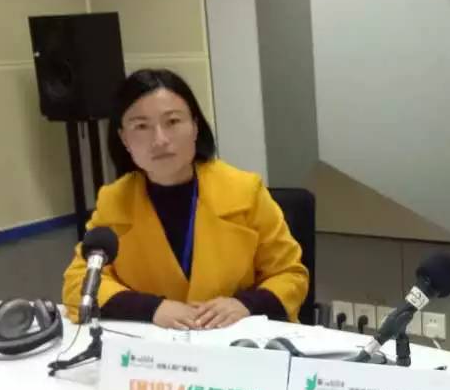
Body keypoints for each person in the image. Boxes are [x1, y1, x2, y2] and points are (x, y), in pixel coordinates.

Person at [62, 69, 308, 329]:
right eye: (141, 126)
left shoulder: (245, 191)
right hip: (155, 344)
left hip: (233, 338)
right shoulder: (114, 200)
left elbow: (290, 274)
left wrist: (245, 304)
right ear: (124, 138)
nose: (160, 140)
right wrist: (151, 308)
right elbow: (79, 283)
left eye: (172, 122)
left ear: (195, 126)